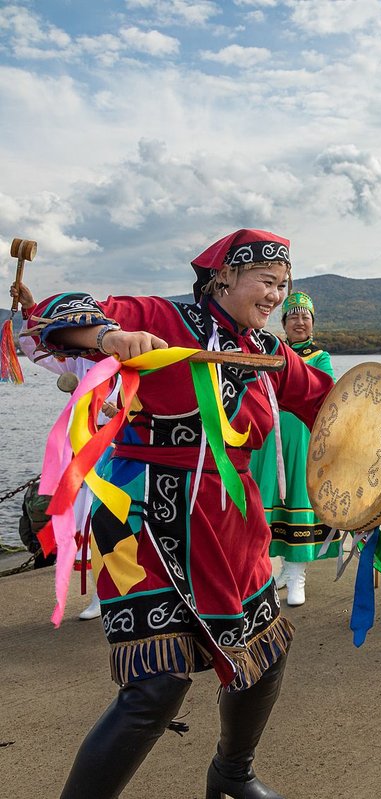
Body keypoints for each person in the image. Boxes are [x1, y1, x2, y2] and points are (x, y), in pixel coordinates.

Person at [26, 229, 334, 799]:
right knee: (156, 685)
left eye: (284, 286)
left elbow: (328, 404)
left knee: (264, 656)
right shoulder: (163, 317)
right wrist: (110, 334)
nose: (276, 296)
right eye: (266, 282)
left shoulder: (266, 351)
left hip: (230, 521)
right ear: (223, 277)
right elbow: (55, 313)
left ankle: (231, 776)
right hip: (148, 516)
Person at [11, 280, 110, 620]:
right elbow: (34, 347)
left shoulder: (127, 355)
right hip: (84, 453)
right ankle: (101, 595)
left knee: (126, 523)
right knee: (89, 520)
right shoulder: (74, 361)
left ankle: (132, 593)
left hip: (125, 451)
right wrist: (30, 308)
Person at [249, 290, 340, 607]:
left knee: (299, 500)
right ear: (284, 323)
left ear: (312, 323)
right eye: (293, 317)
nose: (300, 322)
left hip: (302, 439)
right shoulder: (270, 352)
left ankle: (298, 574)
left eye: (305, 317)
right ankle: (282, 570)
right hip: (268, 439)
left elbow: (324, 393)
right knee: (268, 502)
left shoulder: (320, 357)